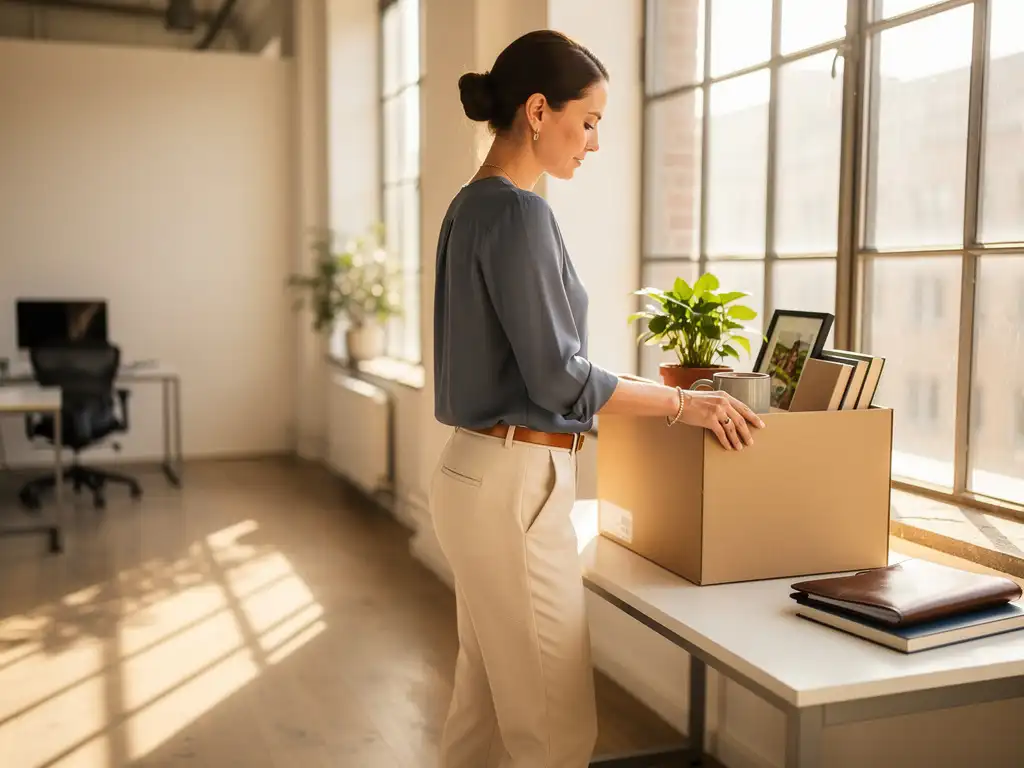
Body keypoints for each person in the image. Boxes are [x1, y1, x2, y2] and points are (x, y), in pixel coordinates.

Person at [430, 29, 764, 768]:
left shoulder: (469, 207)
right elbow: (558, 377)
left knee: (482, 714)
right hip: (514, 485)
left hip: (469, 474)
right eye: (589, 123)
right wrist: (685, 405)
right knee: (554, 731)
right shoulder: (518, 214)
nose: (595, 143)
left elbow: (540, 368)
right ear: (539, 111)